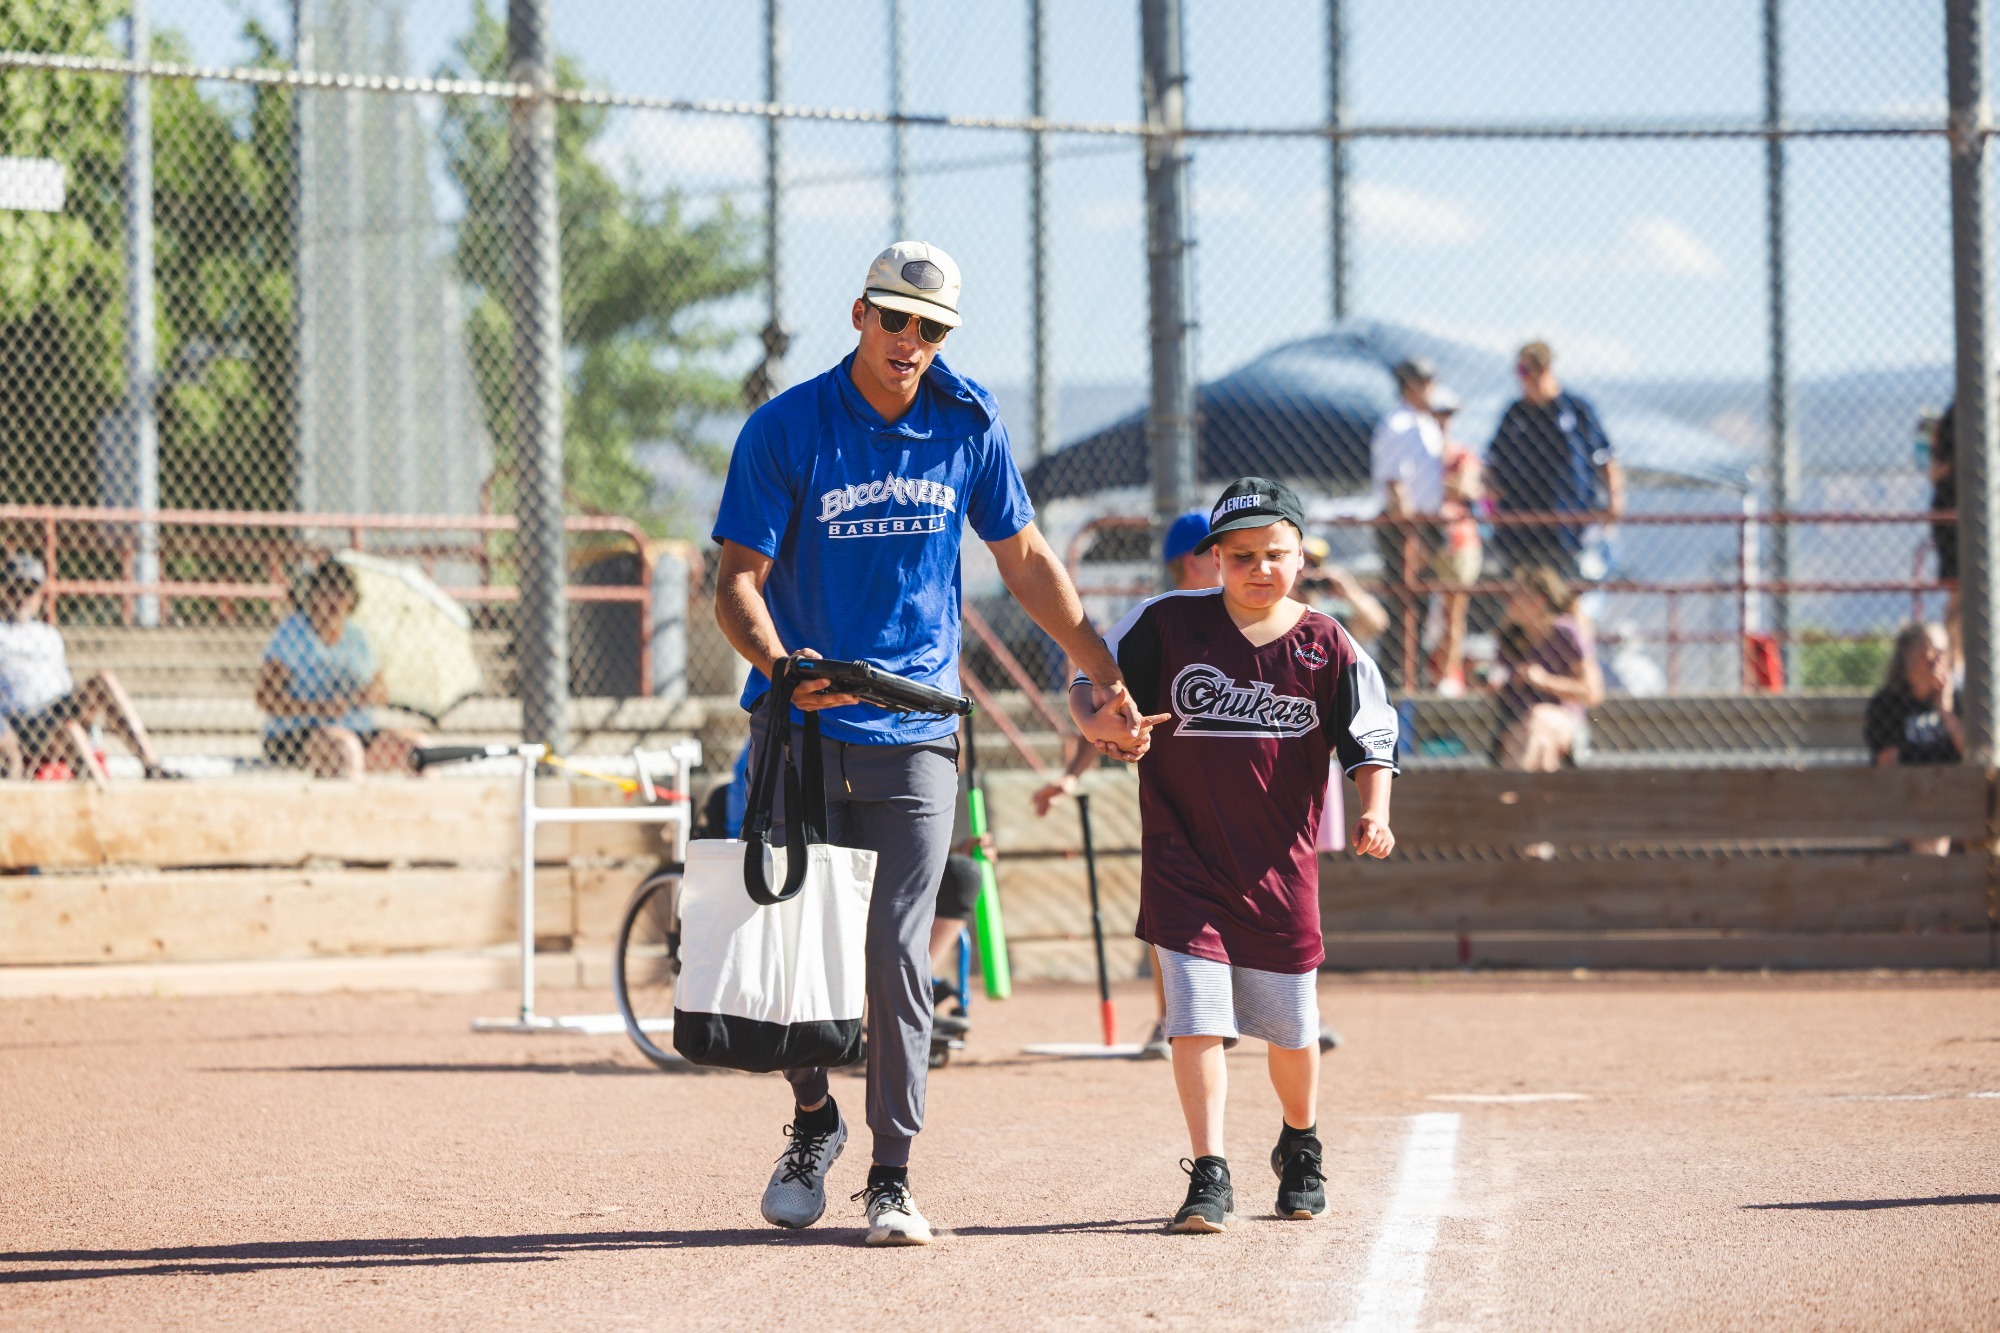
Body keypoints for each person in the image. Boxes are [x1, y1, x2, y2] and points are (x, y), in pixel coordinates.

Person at [711, 240, 1145, 1247]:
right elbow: (736, 581)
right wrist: (780, 665)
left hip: (916, 732)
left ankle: (892, 1177)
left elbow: (1028, 562)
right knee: (790, 953)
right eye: (894, 318)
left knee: (896, 954)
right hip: (801, 726)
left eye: (931, 326)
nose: (911, 340)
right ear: (859, 316)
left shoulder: (967, 421)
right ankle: (812, 1118)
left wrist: (1101, 672)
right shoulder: (787, 428)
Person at [1076, 476, 1398, 1233]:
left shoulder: (1327, 642)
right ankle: (1210, 1169)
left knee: (1292, 1033)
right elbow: (1091, 686)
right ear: (1213, 557)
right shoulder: (1164, 624)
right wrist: (1106, 729)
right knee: (1194, 1018)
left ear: (1301, 556)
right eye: (1243, 555)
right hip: (1183, 860)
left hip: (1278, 872)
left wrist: (1376, 811)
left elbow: (1371, 738)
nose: (1260, 569)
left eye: (1276, 554)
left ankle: (1300, 1138)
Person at [0, 553, 175, 783]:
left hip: (57, 710)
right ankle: (100, 791)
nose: (22, 597)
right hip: (25, 723)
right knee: (69, 728)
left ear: (40, 596)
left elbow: (64, 686)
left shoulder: (49, 635)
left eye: (29, 590)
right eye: (14, 589)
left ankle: (152, 765)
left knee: (104, 680)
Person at [255, 560, 418, 778]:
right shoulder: (293, 633)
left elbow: (381, 690)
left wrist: (366, 695)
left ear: (351, 600)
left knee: (417, 749)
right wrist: (319, 708)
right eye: (325, 593)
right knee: (345, 750)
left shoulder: (356, 637)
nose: (333, 602)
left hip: (356, 730)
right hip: (297, 733)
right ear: (312, 597)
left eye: (341, 594)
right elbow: (265, 698)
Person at [1485, 341, 1624, 579]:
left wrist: (1614, 502)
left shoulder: (1576, 410)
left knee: (1568, 591)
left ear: (1546, 369)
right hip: (1520, 526)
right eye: (1521, 371)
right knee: (1519, 592)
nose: (1524, 379)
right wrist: (1492, 504)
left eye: (1529, 371)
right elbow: (1492, 464)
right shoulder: (1515, 413)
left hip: (1567, 526)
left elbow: (1605, 459)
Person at [1369, 357, 1444, 690]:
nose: (1430, 387)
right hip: (1405, 524)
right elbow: (1395, 482)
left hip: (1425, 522)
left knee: (1422, 600)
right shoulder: (1398, 424)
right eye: (1425, 381)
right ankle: (1395, 672)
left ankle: (1413, 668)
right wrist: (1409, 528)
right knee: (1403, 600)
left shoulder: (1423, 422)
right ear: (1410, 385)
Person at [1489, 566, 1604, 772]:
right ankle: (1533, 801)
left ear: (1538, 600)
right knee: (1539, 742)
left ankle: (1512, 798)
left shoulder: (1565, 632)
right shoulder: (1510, 638)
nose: (1510, 602)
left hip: (1566, 721)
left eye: (1518, 596)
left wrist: (1544, 681)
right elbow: (1501, 682)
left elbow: (1593, 692)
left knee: (1538, 719)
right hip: (1519, 722)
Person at [1866, 622, 1963, 857]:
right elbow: (1889, 768)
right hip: (1909, 800)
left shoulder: (1959, 702)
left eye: (1942, 652)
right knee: (1928, 835)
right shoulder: (1887, 704)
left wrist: (1945, 710)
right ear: (1906, 655)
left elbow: (1973, 755)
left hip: (1955, 798)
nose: (1936, 660)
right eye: (1928, 651)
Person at [1428, 386, 1484, 696]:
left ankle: (1447, 673)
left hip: (1458, 539)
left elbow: (1465, 486)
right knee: (1417, 608)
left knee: (1453, 611)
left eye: (1447, 414)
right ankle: (1426, 670)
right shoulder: (1420, 451)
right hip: (1425, 538)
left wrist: (1431, 485)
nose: (1442, 420)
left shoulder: (1462, 453)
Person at [1923, 406, 1960, 675]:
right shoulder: (1957, 416)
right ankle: (1957, 666)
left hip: (1963, 506)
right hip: (1955, 508)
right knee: (1960, 590)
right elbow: (1936, 470)